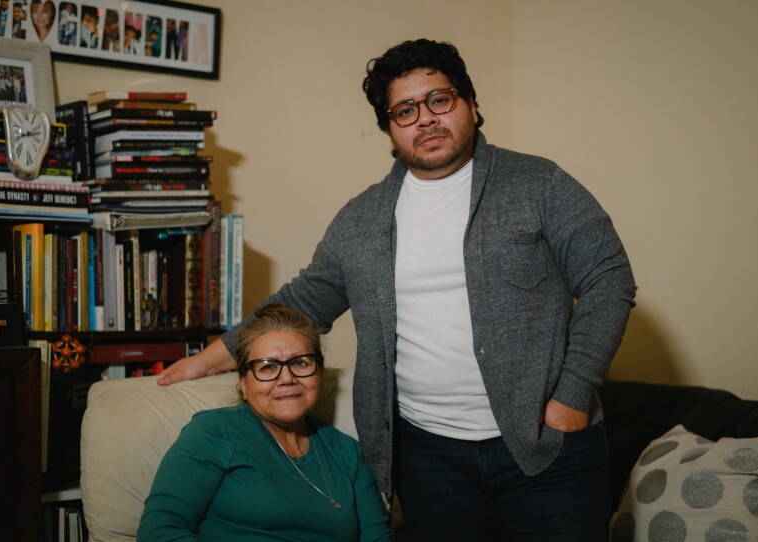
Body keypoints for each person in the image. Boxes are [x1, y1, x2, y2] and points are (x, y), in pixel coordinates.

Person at [158, 39, 637, 540]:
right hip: (428, 458)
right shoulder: (360, 219)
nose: (425, 118)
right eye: (405, 110)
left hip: (549, 447)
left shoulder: (540, 183)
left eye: (439, 100)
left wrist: (573, 394)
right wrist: (206, 360)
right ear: (390, 129)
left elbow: (609, 278)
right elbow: (301, 303)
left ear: (471, 106)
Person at [138, 304, 391, 541]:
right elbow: (159, 531)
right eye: (267, 367)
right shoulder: (214, 432)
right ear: (243, 383)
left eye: (300, 363)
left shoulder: (348, 453)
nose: (287, 378)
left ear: (320, 373)